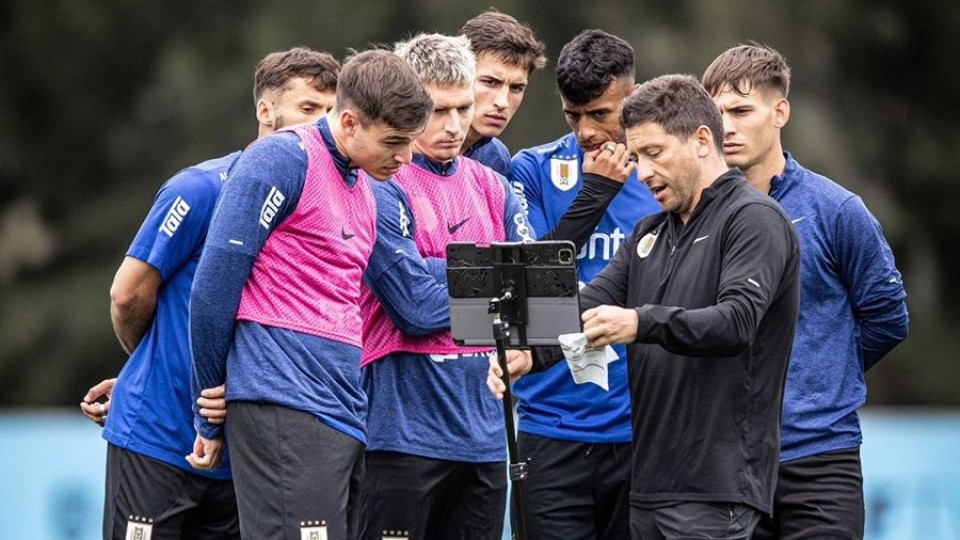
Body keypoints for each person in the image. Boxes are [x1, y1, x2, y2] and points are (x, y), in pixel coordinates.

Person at [491, 74, 802, 540]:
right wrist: (529, 354)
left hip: (716, 487)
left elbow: (736, 322)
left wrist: (640, 322)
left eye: (654, 154)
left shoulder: (754, 219)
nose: (641, 173)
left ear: (701, 141)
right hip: (650, 484)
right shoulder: (651, 233)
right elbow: (587, 303)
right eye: (636, 158)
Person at [78, 47, 340, 539]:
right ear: (266, 111)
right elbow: (128, 295)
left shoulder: (328, 206)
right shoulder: (200, 188)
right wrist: (151, 370)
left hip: (246, 451)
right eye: (308, 109)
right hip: (160, 440)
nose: (321, 125)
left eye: (330, 112)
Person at [187, 49, 432, 540]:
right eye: (393, 142)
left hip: (343, 408)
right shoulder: (280, 157)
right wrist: (208, 404)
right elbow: (214, 286)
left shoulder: (369, 184)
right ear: (348, 121)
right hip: (281, 400)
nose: (406, 158)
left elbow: (414, 290)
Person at [702, 44, 910, 540]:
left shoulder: (837, 210)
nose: (726, 126)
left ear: (780, 112)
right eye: (717, 113)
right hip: (725, 464)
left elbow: (887, 319)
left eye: (740, 110)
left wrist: (822, 377)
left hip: (821, 460)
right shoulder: (696, 217)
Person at [356, 33, 534, 540]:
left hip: (484, 438)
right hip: (400, 437)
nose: (454, 126)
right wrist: (496, 274)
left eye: (463, 108)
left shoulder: (492, 184)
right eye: (437, 111)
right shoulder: (379, 183)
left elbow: (539, 294)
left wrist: (437, 266)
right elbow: (412, 307)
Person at [508, 29, 660, 540]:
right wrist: (594, 193)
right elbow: (526, 285)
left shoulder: (665, 178)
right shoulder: (531, 169)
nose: (586, 130)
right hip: (550, 427)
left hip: (645, 430)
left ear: (633, 98)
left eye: (601, 114)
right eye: (574, 114)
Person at [459, 10, 547, 176]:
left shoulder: (496, 158)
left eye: (516, 88)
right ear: (460, 75)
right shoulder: (408, 144)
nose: (502, 102)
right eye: (490, 82)